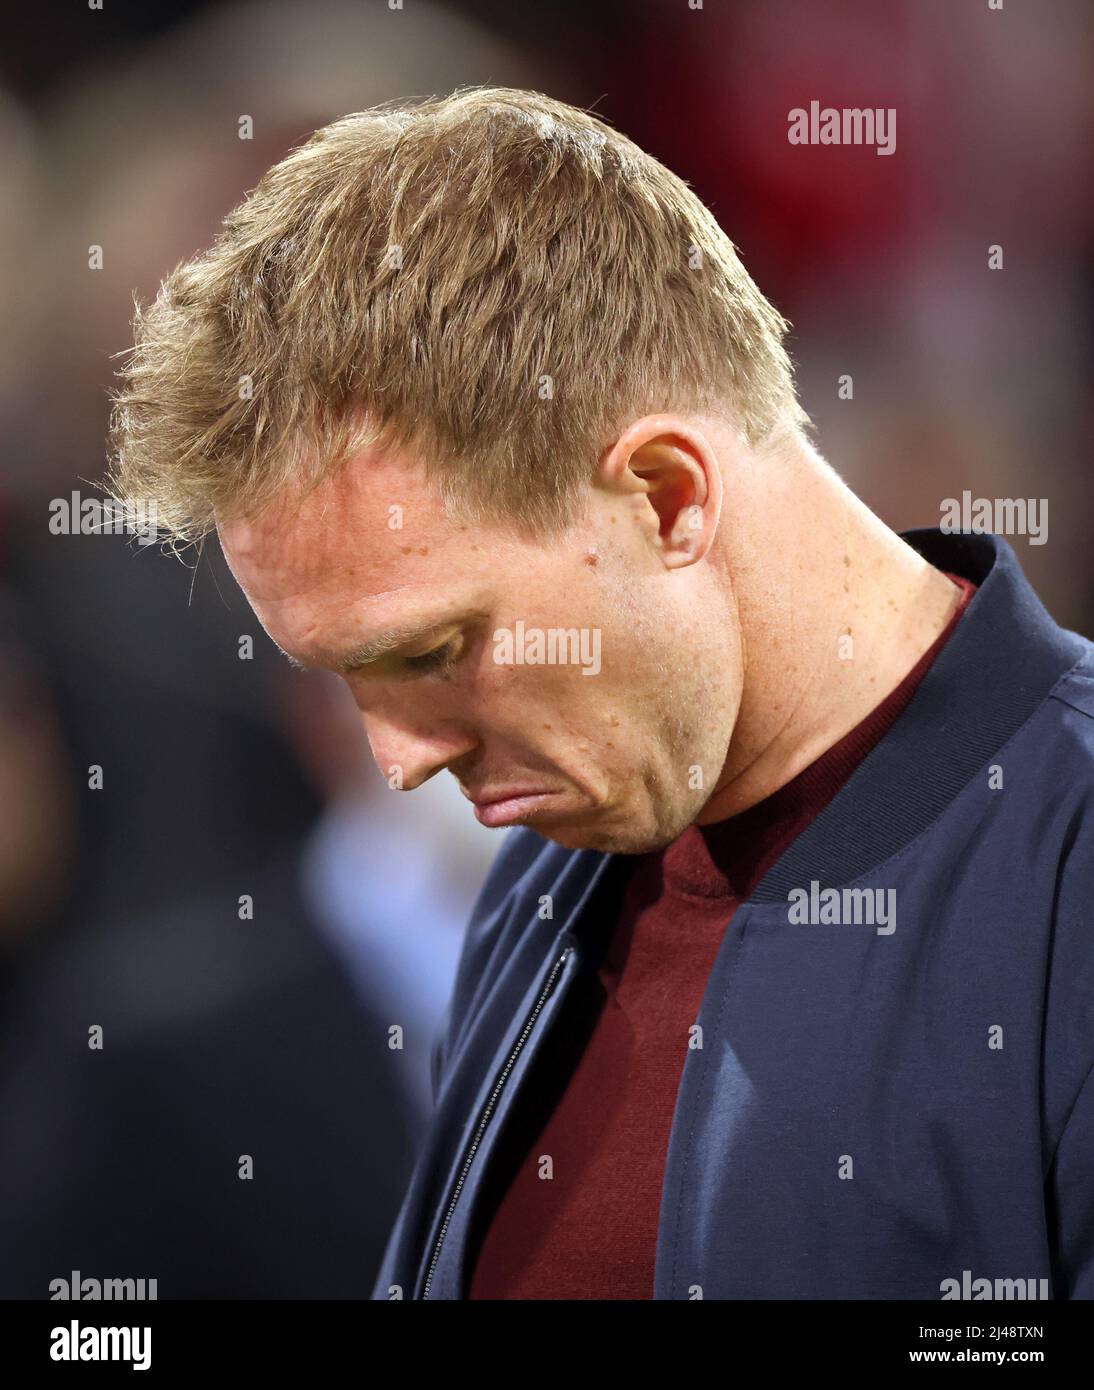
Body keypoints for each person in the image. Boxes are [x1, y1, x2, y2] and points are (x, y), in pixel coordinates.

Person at [107, 86, 1094, 1300]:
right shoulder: (547, 876)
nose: (397, 762)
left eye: (430, 652)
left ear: (669, 496)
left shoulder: (1066, 870)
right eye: (343, 679)